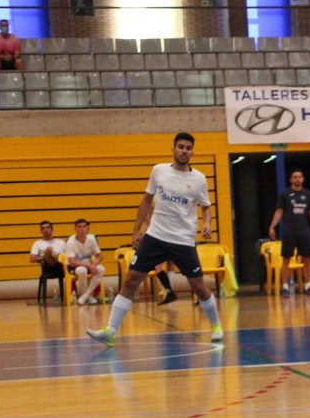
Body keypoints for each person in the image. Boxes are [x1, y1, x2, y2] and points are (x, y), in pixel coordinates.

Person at [87, 132, 223, 347]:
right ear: (173, 149)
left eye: (188, 148)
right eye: (180, 147)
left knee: (197, 285)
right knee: (131, 279)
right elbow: (146, 201)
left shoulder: (199, 179)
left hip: (183, 240)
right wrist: (136, 231)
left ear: (192, 152)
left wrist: (208, 223)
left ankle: (216, 325)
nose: (184, 151)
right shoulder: (158, 171)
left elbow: (206, 207)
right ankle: (110, 332)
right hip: (156, 236)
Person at [269, 168, 310, 296]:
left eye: (300, 177)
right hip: (289, 231)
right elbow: (279, 211)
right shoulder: (285, 194)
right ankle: (285, 287)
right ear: (291, 179)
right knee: (286, 259)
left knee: (307, 259)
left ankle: (308, 286)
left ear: (303, 179)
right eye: (295, 177)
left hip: (304, 232)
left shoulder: (308, 194)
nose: (297, 179)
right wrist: (272, 227)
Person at [65, 218, 106, 305]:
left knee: (101, 269)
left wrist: (96, 261)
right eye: (79, 227)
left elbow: (100, 255)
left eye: (84, 226)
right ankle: (87, 296)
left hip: (88, 265)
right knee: (82, 270)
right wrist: (89, 266)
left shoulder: (92, 239)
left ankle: (85, 295)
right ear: (75, 229)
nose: (82, 229)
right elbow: (72, 262)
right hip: (75, 266)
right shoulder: (70, 242)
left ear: (87, 228)